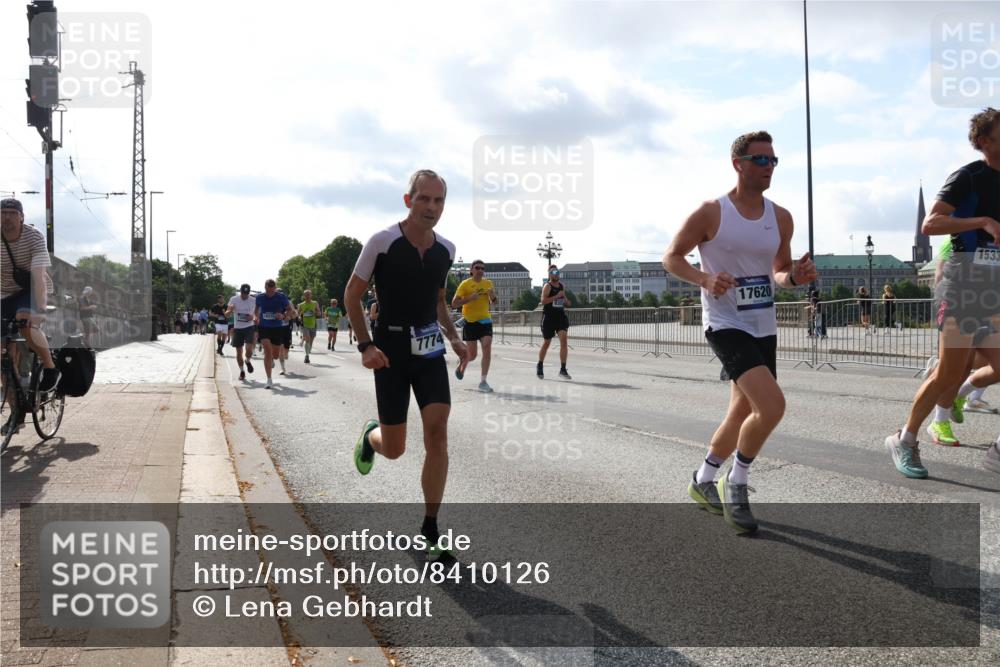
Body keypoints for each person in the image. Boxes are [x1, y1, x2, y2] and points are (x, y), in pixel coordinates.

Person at [664, 130, 818, 533]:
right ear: (739, 164)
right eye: (761, 160)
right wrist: (704, 278)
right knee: (771, 407)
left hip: (762, 324)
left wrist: (795, 277)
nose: (769, 167)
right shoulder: (712, 212)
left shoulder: (780, 217)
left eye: (773, 160)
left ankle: (702, 479)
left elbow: (779, 272)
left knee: (743, 410)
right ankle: (738, 482)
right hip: (725, 323)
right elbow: (671, 257)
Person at [346, 169, 467, 558]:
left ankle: (431, 527)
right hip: (390, 351)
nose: (431, 207)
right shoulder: (382, 242)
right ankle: (371, 437)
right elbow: (351, 296)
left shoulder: (446, 250)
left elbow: (438, 302)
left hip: (429, 348)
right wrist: (365, 345)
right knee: (394, 449)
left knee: (437, 430)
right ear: (408, 200)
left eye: (439, 201)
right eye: (424, 199)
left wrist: (454, 337)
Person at [885, 107, 1000, 477]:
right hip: (962, 282)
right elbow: (930, 224)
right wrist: (981, 221)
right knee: (948, 374)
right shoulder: (968, 177)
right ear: (984, 141)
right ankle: (904, 439)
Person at [0, 198, 61, 416]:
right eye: (2, 213)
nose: (6, 217)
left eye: (11, 213)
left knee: (25, 322)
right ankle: (16, 413)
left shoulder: (33, 237)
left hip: (30, 290)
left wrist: (41, 310)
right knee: (2, 360)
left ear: (21, 217)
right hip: (3, 293)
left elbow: (38, 277)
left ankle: (50, 367)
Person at [452, 259, 498, 392]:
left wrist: (493, 296)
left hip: (485, 321)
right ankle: (463, 361)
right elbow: (454, 303)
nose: (480, 270)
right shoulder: (465, 284)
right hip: (470, 322)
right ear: (471, 270)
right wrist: (469, 299)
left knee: (487, 345)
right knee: (472, 355)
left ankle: (483, 382)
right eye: (477, 268)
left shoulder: (488, 283)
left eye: (483, 268)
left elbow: (495, 302)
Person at [255, 280, 296, 388]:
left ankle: (272, 359)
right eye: (268, 291)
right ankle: (269, 379)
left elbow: (290, 310)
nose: (270, 293)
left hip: (277, 327)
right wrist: (256, 317)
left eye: (272, 291)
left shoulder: (281, 297)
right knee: (268, 351)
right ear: (265, 288)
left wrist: (284, 316)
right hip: (264, 327)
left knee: (276, 355)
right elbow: (256, 310)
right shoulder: (260, 297)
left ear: (275, 288)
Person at [537, 265, 571, 380]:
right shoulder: (547, 286)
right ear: (550, 274)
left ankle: (563, 369)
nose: (556, 274)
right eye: (553, 272)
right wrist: (556, 296)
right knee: (547, 342)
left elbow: (565, 301)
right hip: (549, 317)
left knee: (564, 340)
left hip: (560, 317)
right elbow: (543, 301)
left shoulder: (561, 286)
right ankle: (540, 364)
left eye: (557, 271)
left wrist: (566, 301)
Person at [226, 284, 257, 381]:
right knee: (239, 352)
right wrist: (230, 310)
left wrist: (253, 317)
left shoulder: (253, 300)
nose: (245, 295)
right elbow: (226, 315)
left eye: (247, 294)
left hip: (249, 327)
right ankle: (242, 371)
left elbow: (256, 315)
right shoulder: (233, 299)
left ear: (249, 293)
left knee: (249, 349)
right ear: (240, 292)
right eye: (243, 293)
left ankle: (247, 361)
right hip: (238, 328)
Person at [298, 289, 319, 364]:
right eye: (306, 295)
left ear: (311, 295)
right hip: (305, 325)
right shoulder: (301, 305)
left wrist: (315, 312)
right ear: (304, 296)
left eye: (308, 294)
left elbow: (319, 313)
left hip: (313, 324)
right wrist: (300, 317)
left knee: (311, 340)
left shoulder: (315, 303)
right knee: (307, 339)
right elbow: (298, 314)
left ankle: (308, 351)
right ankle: (307, 356)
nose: (307, 296)